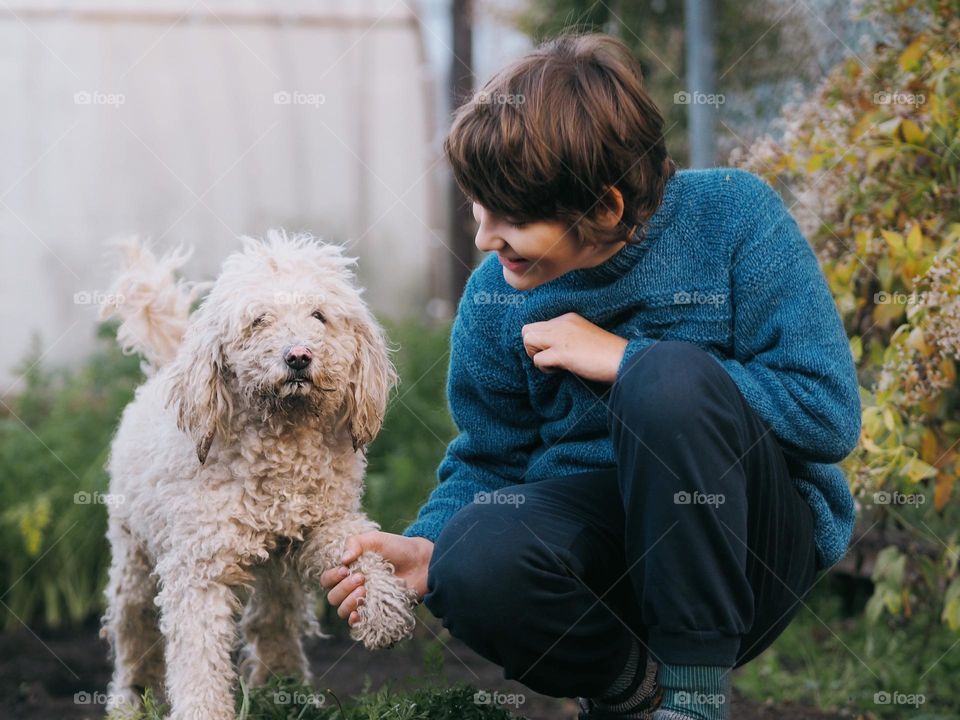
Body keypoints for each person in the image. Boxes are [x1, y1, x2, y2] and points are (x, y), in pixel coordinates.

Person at [320, 32, 860, 720]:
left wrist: (625, 360)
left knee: (667, 381)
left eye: (511, 219)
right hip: (602, 557)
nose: (485, 237)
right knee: (473, 554)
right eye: (477, 207)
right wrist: (430, 540)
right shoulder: (495, 296)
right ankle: (633, 693)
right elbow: (490, 458)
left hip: (749, 549)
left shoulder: (733, 217)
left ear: (604, 207)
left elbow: (826, 412)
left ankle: (694, 700)